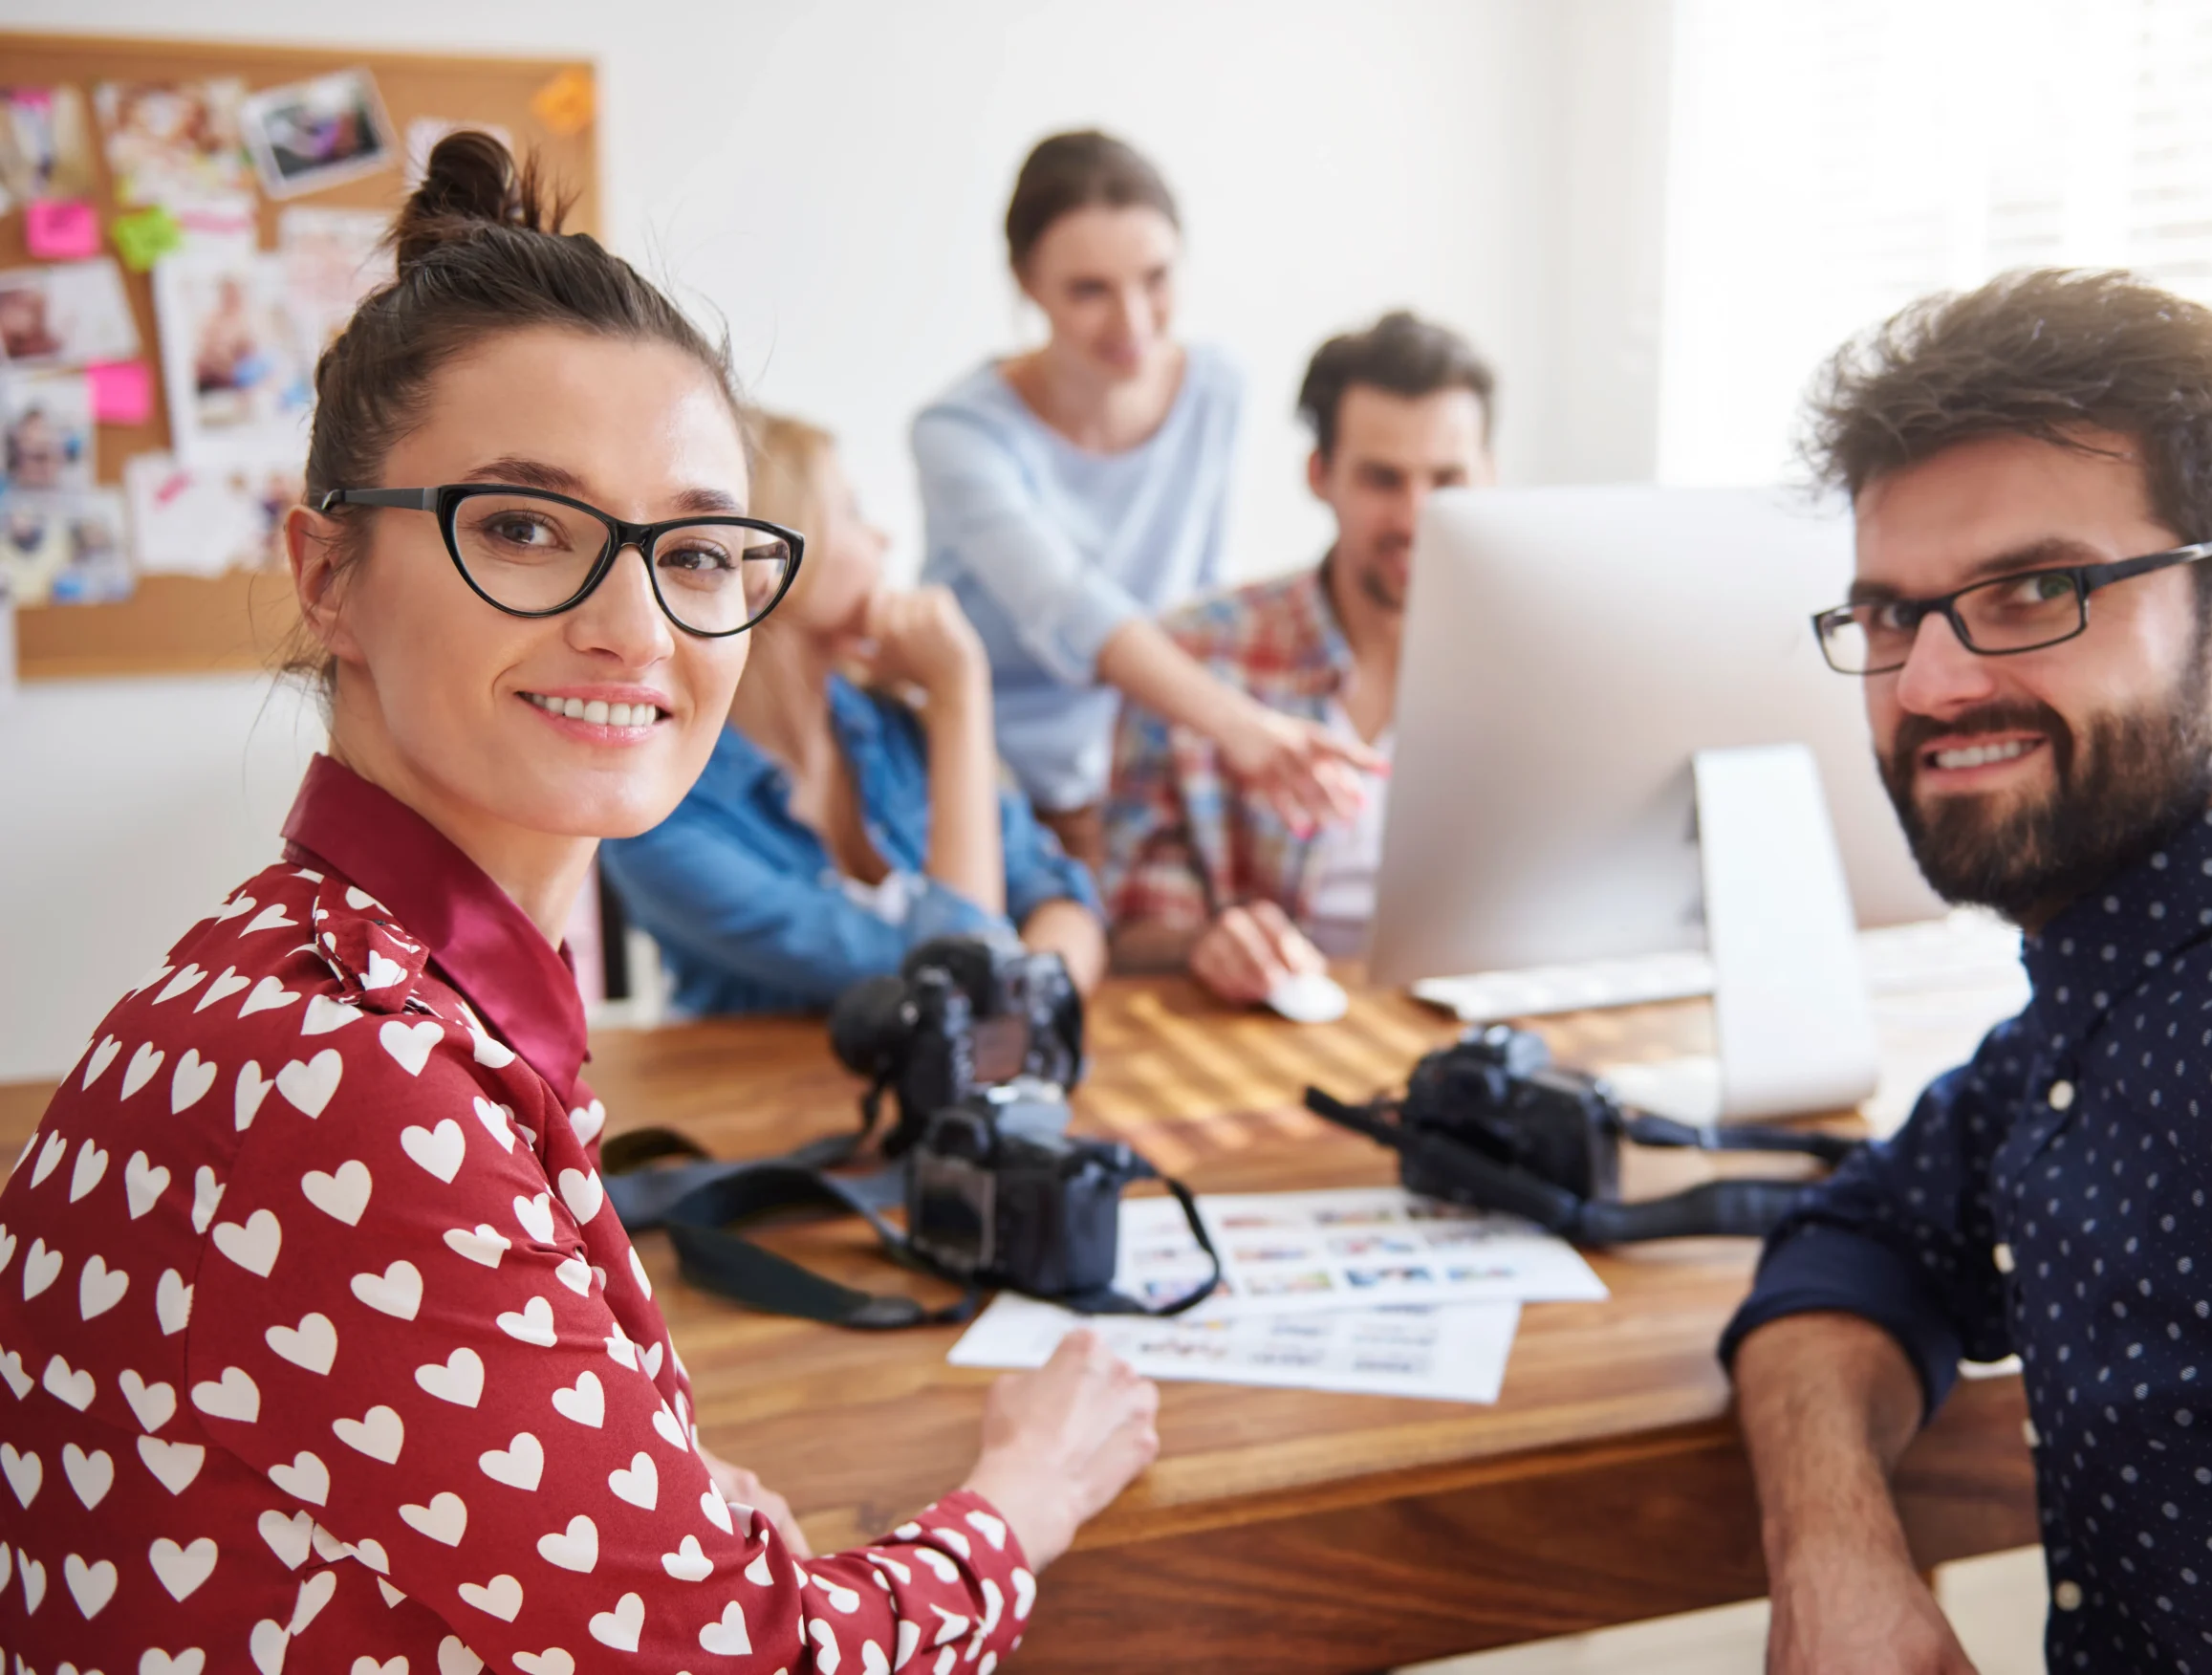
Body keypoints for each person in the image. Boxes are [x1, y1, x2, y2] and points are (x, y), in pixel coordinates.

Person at [0, 132, 1157, 1669]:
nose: (634, 626)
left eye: (695, 547)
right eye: (526, 528)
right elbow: (750, 1659)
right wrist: (1023, 1495)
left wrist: (650, 1501)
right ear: (326, 575)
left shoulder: (320, 973)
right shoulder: (340, 1077)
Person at [1720, 268, 2212, 1674]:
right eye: (1889, 615)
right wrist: (1839, 1556)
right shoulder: (2124, 983)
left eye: (2036, 589)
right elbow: (1860, 1238)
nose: (1929, 685)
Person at [912, 129, 1378, 869]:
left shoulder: (1216, 391)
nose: (1132, 322)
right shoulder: (959, 435)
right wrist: (1241, 727)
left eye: (1156, 278)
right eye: (1089, 290)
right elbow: (1071, 607)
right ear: (1028, 283)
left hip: (1140, 760)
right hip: (988, 777)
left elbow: (1198, 598)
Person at [601, 411, 1106, 1014]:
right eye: (853, 512)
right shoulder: (662, 817)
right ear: (767, 559)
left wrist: (1027, 1014)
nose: (883, 540)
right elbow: (949, 977)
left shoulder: (897, 730)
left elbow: (1062, 900)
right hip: (765, 1102)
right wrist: (961, 698)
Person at [1104, 312, 1495, 1004]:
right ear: (1321, 475)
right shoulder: (1195, 657)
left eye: (1447, 479)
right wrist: (1211, 941)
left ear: (1488, 476)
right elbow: (1133, 927)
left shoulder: (1534, 664)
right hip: (1285, 1029)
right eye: (1382, 479)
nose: (1416, 516)